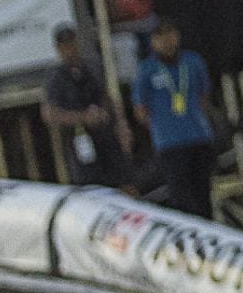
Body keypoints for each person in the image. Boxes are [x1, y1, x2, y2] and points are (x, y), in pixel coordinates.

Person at [133, 19, 220, 219]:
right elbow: (140, 108)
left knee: (203, 195)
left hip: (198, 137)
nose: (166, 41)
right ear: (153, 41)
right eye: (160, 36)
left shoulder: (193, 61)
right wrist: (160, 127)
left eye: (169, 34)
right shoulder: (148, 69)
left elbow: (204, 94)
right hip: (170, 143)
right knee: (181, 197)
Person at [43, 24, 124, 186]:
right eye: (66, 46)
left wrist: (108, 115)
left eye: (72, 44)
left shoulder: (92, 67)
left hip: (104, 133)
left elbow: (106, 95)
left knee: (118, 177)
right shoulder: (56, 78)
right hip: (79, 137)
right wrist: (82, 117)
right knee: (90, 182)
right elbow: (50, 113)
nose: (70, 50)